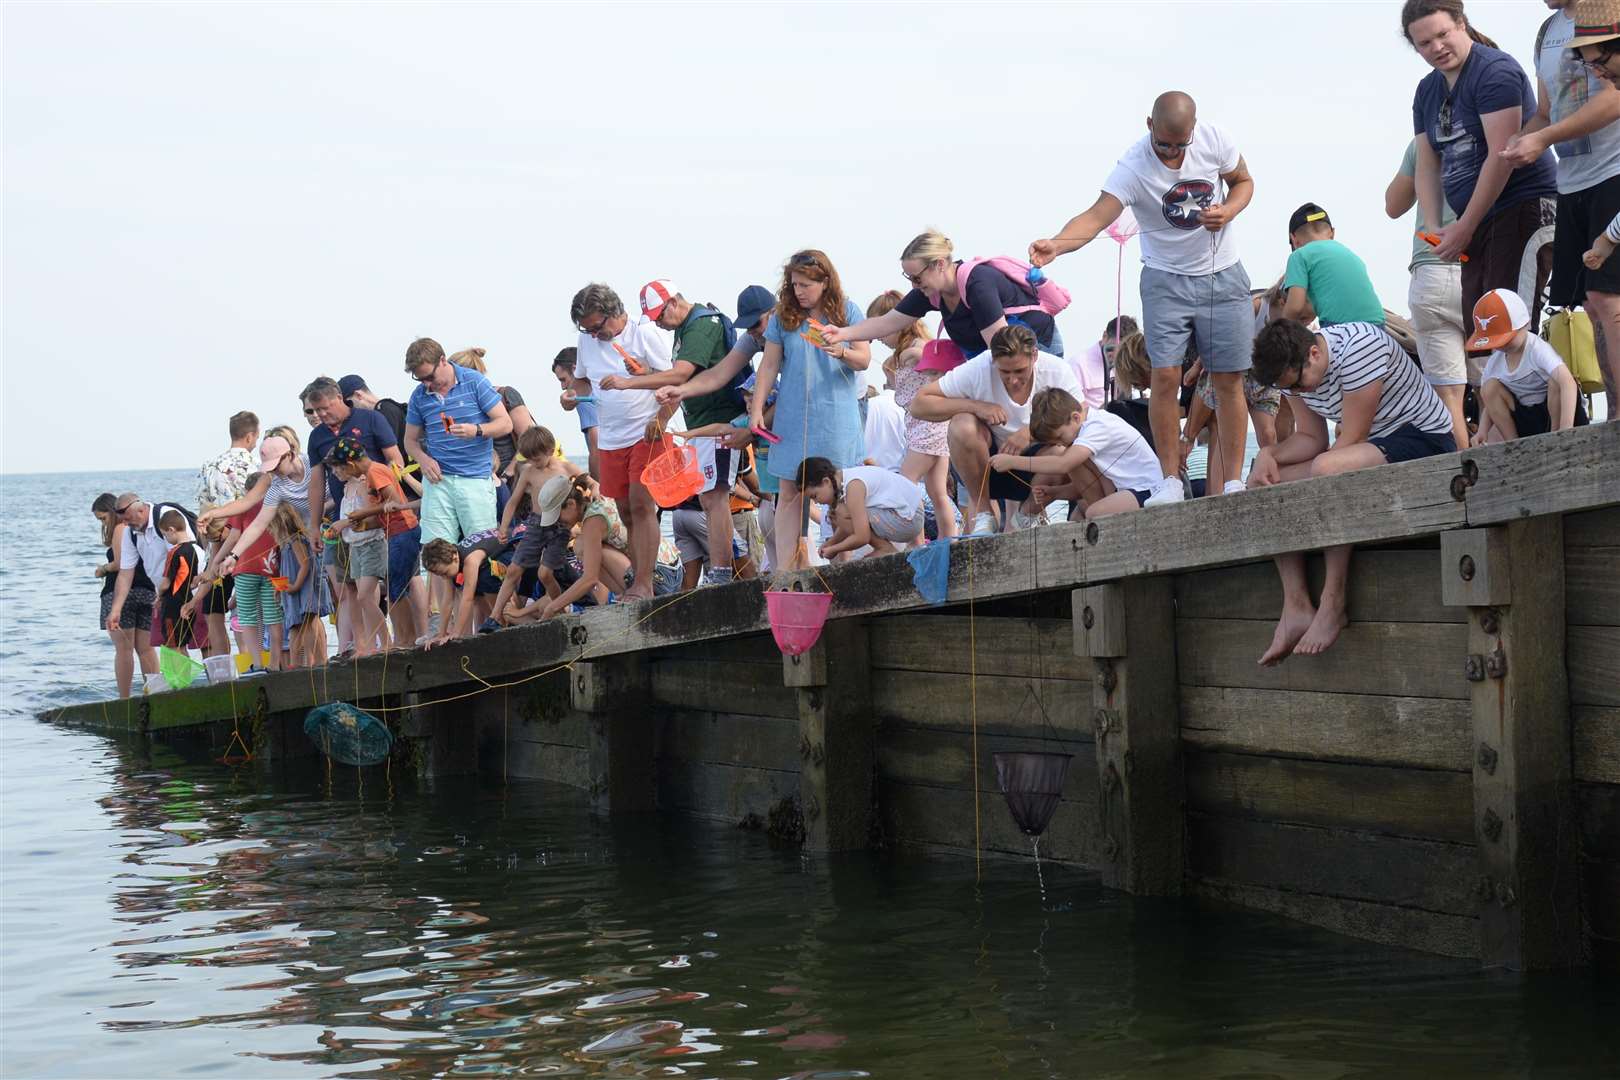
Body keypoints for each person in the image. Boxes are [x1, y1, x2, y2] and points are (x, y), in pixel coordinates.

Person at [1029, 90, 1257, 503]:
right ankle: (1170, 479)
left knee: (1227, 377)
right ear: (1149, 126)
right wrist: (1057, 245)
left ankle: (1235, 480)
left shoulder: (1216, 139)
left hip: (1222, 272)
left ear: (1194, 129)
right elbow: (1096, 216)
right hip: (1165, 279)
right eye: (1164, 144)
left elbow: (1242, 181)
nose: (1172, 153)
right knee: (1165, 375)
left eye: (1180, 145)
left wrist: (1229, 210)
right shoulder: (1133, 166)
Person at [1248, 319, 1457, 666]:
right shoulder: (1293, 374)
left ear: (1314, 353)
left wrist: (1310, 467)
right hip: (1371, 446)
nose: (1299, 393)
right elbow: (1312, 440)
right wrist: (1267, 455)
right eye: (1290, 389)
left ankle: (1333, 604)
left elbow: (1350, 440)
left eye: (1298, 384)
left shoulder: (1359, 349)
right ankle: (1296, 604)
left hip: (1423, 439)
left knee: (1326, 469)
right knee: (1267, 484)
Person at [1405, 0, 1558, 359]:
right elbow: (1426, 163)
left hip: (1521, 206)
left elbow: (1500, 157)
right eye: (1425, 43)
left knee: (1512, 323)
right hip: (1475, 222)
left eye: (1442, 35)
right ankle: (1502, 413)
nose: (1437, 48)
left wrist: (1463, 227)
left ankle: (1555, 408)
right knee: (1482, 328)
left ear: (1461, 23)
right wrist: (1433, 225)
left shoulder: (1494, 71)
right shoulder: (1427, 91)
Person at [1497, 0, 1620, 411]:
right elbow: (1545, 114)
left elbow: (1613, 99)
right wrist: (1518, 142)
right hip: (1572, 182)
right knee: (1589, 304)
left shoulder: (1607, 14)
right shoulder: (1547, 31)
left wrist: (1544, 139)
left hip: (1613, 169)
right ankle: (1612, 412)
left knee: (1609, 299)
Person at [600, 280, 745, 586]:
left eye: (660, 316)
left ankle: (720, 573)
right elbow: (686, 375)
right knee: (709, 497)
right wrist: (649, 374)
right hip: (701, 423)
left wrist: (628, 383)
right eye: (654, 320)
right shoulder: (685, 328)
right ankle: (723, 571)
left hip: (718, 421)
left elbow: (681, 375)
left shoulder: (702, 325)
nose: (659, 325)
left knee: (715, 497)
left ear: (675, 302)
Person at [748, 251, 872, 570]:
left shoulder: (848, 310)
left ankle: (843, 565)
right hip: (792, 418)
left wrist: (841, 350)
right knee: (790, 491)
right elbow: (769, 365)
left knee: (840, 489)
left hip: (835, 415)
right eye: (794, 285)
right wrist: (758, 408)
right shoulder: (782, 317)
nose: (799, 291)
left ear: (825, 281)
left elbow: (864, 359)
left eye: (805, 285)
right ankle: (788, 570)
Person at [910, 324, 1083, 533]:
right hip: (988, 465)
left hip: (1037, 464)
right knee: (962, 423)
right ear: (993, 360)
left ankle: (1029, 513)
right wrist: (976, 406)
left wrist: (1031, 432)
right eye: (1004, 372)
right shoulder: (979, 368)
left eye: (1020, 371)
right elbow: (919, 404)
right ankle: (984, 514)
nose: (1013, 380)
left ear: (1035, 356)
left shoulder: (1056, 370)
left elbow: (1081, 415)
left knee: (1065, 450)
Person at [569, 283, 674, 600]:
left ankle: (644, 582)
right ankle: (640, 581)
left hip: (647, 429)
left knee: (643, 506)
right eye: (587, 330)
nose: (593, 335)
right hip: (611, 437)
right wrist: (572, 397)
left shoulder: (644, 334)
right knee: (626, 511)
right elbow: (582, 380)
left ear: (613, 312)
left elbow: (674, 381)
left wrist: (662, 419)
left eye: (597, 327)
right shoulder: (586, 342)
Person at [403, 337, 512, 623]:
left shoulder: (474, 382)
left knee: (481, 554)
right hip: (439, 482)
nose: (426, 383)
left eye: (429, 376)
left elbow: (506, 423)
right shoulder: (419, 396)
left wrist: (477, 430)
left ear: (443, 361)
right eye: (420, 378)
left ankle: (490, 620)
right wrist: (423, 460)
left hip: (474, 479)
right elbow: (410, 441)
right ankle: (444, 625)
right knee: (436, 549)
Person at [824, 229, 1063, 359]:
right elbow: (887, 323)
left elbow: (1001, 348)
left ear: (939, 264)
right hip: (998, 357)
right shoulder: (930, 291)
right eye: (909, 279)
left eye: (917, 277)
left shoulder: (977, 285)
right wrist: (842, 333)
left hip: (1035, 348)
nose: (914, 286)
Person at [304, 377, 405, 650]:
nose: (321, 415)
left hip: (377, 518)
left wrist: (381, 493)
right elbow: (316, 482)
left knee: (395, 581)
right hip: (344, 518)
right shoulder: (317, 436)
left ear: (339, 398)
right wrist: (313, 525)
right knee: (349, 585)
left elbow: (396, 460)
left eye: (325, 408)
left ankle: (397, 638)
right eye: (316, 412)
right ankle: (362, 644)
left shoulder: (370, 419)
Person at [1387, 138, 1472, 448]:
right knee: (1495, 385)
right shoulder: (1491, 124)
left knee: (1450, 398)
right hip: (1481, 265)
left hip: (1432, 267)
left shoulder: (1423, 142)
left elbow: (1393, 205)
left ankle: (1468, 477)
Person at [992, 387, 1162, 519]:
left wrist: (1013, 462)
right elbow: (1086, 481)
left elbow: (1062, 464)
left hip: (1148, 490)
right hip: (1125, 490)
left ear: (1075, 417)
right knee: (1079, 494)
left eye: (1060, 437)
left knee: (1093, 513)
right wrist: (1055, 492)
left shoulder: (1097, 426)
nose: (1060, 444)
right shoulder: (1084, 431)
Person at [865, 290, 956, 538]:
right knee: (937, 492)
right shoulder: (910, 349)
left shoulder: (916, 348)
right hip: (926, 426)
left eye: (882, 329)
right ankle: (950, 539)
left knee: (905, 483)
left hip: (927, 426)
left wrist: (914, 359)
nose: (879, 336)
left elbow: (936, 365)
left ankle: (915, 541)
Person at [502, 476, 639, 622]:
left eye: (558, 516)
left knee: (582, 546)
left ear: (571, 504)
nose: (558, 523)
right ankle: (623, 592)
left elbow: (590, 579)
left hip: (652, 574)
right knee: (580, 544)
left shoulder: (593, 521)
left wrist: (553, 606)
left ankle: (629, 592)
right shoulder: (594, 503)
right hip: (635, 568)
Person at [1470, 288, 1589, 441]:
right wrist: (1482, 431)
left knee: (1557, 380)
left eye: (1507, 338)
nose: (1503, 345)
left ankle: (1556, 437)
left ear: (1525, 325)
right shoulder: (1495, 362)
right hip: (1525, 417)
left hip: (1557, 412)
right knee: (1488, 388)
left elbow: (1568, 383)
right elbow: (1489, 403)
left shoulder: (1536, 348)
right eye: (1497, 341)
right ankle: (1514, 444)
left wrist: (1567, 427)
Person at [103, 493, 202, 672]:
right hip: (167, 595)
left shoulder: (165, 516)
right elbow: (125, 573)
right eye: (123, 521)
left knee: (199, 642)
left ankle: (210, 684)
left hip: (190, 591)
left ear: (141, 510)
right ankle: (181, 687)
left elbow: (182, 557)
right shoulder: (130, 533)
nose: (126, 524)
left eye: (128, 519)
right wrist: (116, 609)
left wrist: (163, 592)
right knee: (173, 643)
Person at [322, 437, 396, 657]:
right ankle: (364, 644)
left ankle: (386, 642)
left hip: (372, 543)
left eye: (336, 468)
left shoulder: (365, 483)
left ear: (348, 465)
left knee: (364, 596)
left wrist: (344, 523)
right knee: (355, 596)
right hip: (354, 546)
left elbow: (373, 512)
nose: (334, 473)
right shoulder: (346, 489)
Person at [93, 493, 157, 697]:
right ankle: (154, 693)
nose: (103, 524)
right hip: (146, 590)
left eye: (103, 518)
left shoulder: (121, 529)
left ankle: (124, 699)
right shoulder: (139, 529)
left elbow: (120, 564)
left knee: (124, 650)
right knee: (146, 649)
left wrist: (103, 569)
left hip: (120, 593)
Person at [797, 456, 925, 559]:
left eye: (814, 496)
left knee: (839, 513)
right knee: (838, 514)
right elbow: (851, 523)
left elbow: (862, 537)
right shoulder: (846, 480)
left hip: (908, 520)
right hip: (906, 516)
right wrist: (830, 543)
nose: (816, 501)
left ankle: (884, 548)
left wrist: (835, 549)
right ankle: (883, 547)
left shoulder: (853, 486)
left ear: (826, 482)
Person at [1279, 203, 1385, 326]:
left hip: (1343, 329)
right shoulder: (1351, 254)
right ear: (1332, 233)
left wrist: (1278, 331)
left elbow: (1295, 307)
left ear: (1294, 240)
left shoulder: (1299, 255)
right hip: (1379, 328)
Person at [449, 347, 535, 483]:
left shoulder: (505, 395)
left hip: (510, 479)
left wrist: (509, 473)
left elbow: (530, 439)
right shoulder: (455, 404)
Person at [266, 502, 328, 669]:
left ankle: (316, 660)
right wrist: (281, 587)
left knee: (308, 623)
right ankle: (295, 663)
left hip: (303, 587)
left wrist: (295, 586)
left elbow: (305, 564)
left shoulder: (295, 539)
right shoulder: (286, 543)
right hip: (293, 587)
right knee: (294, 625)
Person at [156, 510, 204, 653]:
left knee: (174, 645)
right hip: (188, 601)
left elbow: (165, 583)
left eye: (165, 535)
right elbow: (194, 579)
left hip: (173, 604)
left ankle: (179, 675)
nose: (166, 539)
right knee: (182, 642)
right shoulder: (194, 549)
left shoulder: (174, 552)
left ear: (171, 530)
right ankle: (185, 675)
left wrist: (158, 595)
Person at [550, 348, 600, 480]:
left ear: (575, 369)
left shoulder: (583, 398)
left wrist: (596, 486)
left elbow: (596, 449)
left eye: (563, 379)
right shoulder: (600, 388)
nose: (562, 386)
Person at [339, 375, 411, 461]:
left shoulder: (384, 410)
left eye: (348, 404)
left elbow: (388, 453)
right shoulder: (386, 409)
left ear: (358, 395)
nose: (349, 410)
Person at [1074, 316, 1137, 408]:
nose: (1116, 356)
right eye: (1112, 348)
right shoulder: (1079, 365)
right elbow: (1072, 408)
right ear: (1104, 336)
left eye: (1124, 351)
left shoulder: (1129, 362)